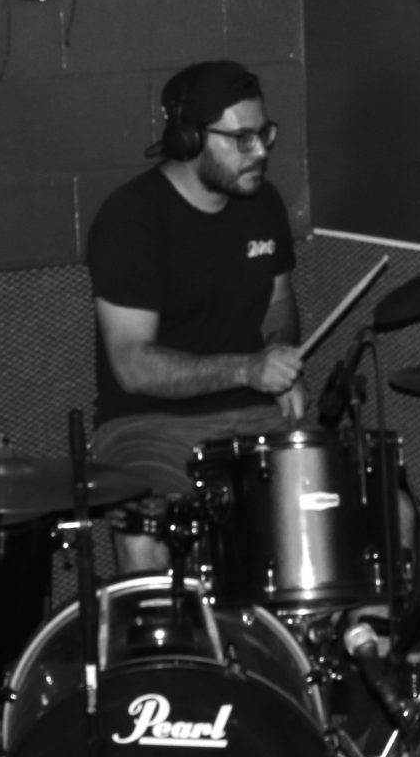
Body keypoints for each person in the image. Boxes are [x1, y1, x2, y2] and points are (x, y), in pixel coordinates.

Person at [85, 59, 302, 571]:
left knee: (381, 513)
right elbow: (133, 365)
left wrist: (280, 354)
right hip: (148, 426)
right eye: (241, 139)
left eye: (264, 134)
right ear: (188, 140)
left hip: (256, 417)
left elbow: (278, 300)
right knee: (146, 537)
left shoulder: (263, 203)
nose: (260, 152)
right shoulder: (131, 219)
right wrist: (248, 369)